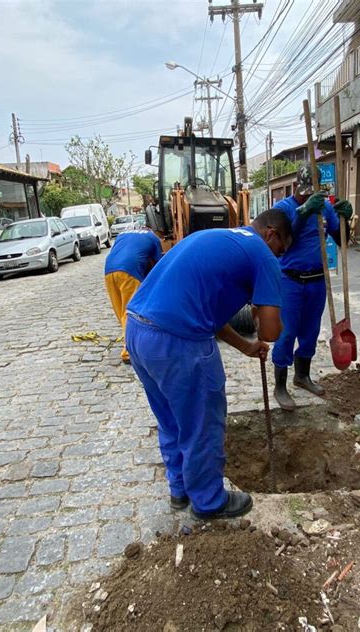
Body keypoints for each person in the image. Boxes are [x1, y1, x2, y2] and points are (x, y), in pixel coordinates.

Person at [125, 210, 293, 520]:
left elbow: (208, 315)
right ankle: (208, 501)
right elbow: (271, 331)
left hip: (138, 331)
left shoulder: (217, 238)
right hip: (179, 343)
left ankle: (180, 491)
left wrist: (245, 346)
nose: (279, 258)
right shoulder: (262, 254)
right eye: (281, 250)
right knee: (202, 423)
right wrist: (264, 312)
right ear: (272, 234)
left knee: (172, 419)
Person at [271, 165, 353, 410]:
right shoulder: (283, 209)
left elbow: (342, 241)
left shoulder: (325, 208)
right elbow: (283, 242)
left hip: (317, 280)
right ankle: (280, 385)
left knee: (310, 331)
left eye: (312, 194)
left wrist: (344, 219)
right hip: (290, 280)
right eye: (305, 194)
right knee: (286, 332)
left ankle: (302, 376)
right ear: (298, 187)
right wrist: (304, 212)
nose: (309, 197)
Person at [104, 228, 162, 364]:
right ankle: (128, 352)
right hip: (130, 271)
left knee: (121, 312)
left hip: (109, 270)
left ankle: (130, 341)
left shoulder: (122, 234)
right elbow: (158, 266)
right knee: (131, 313)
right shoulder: (153, 238)